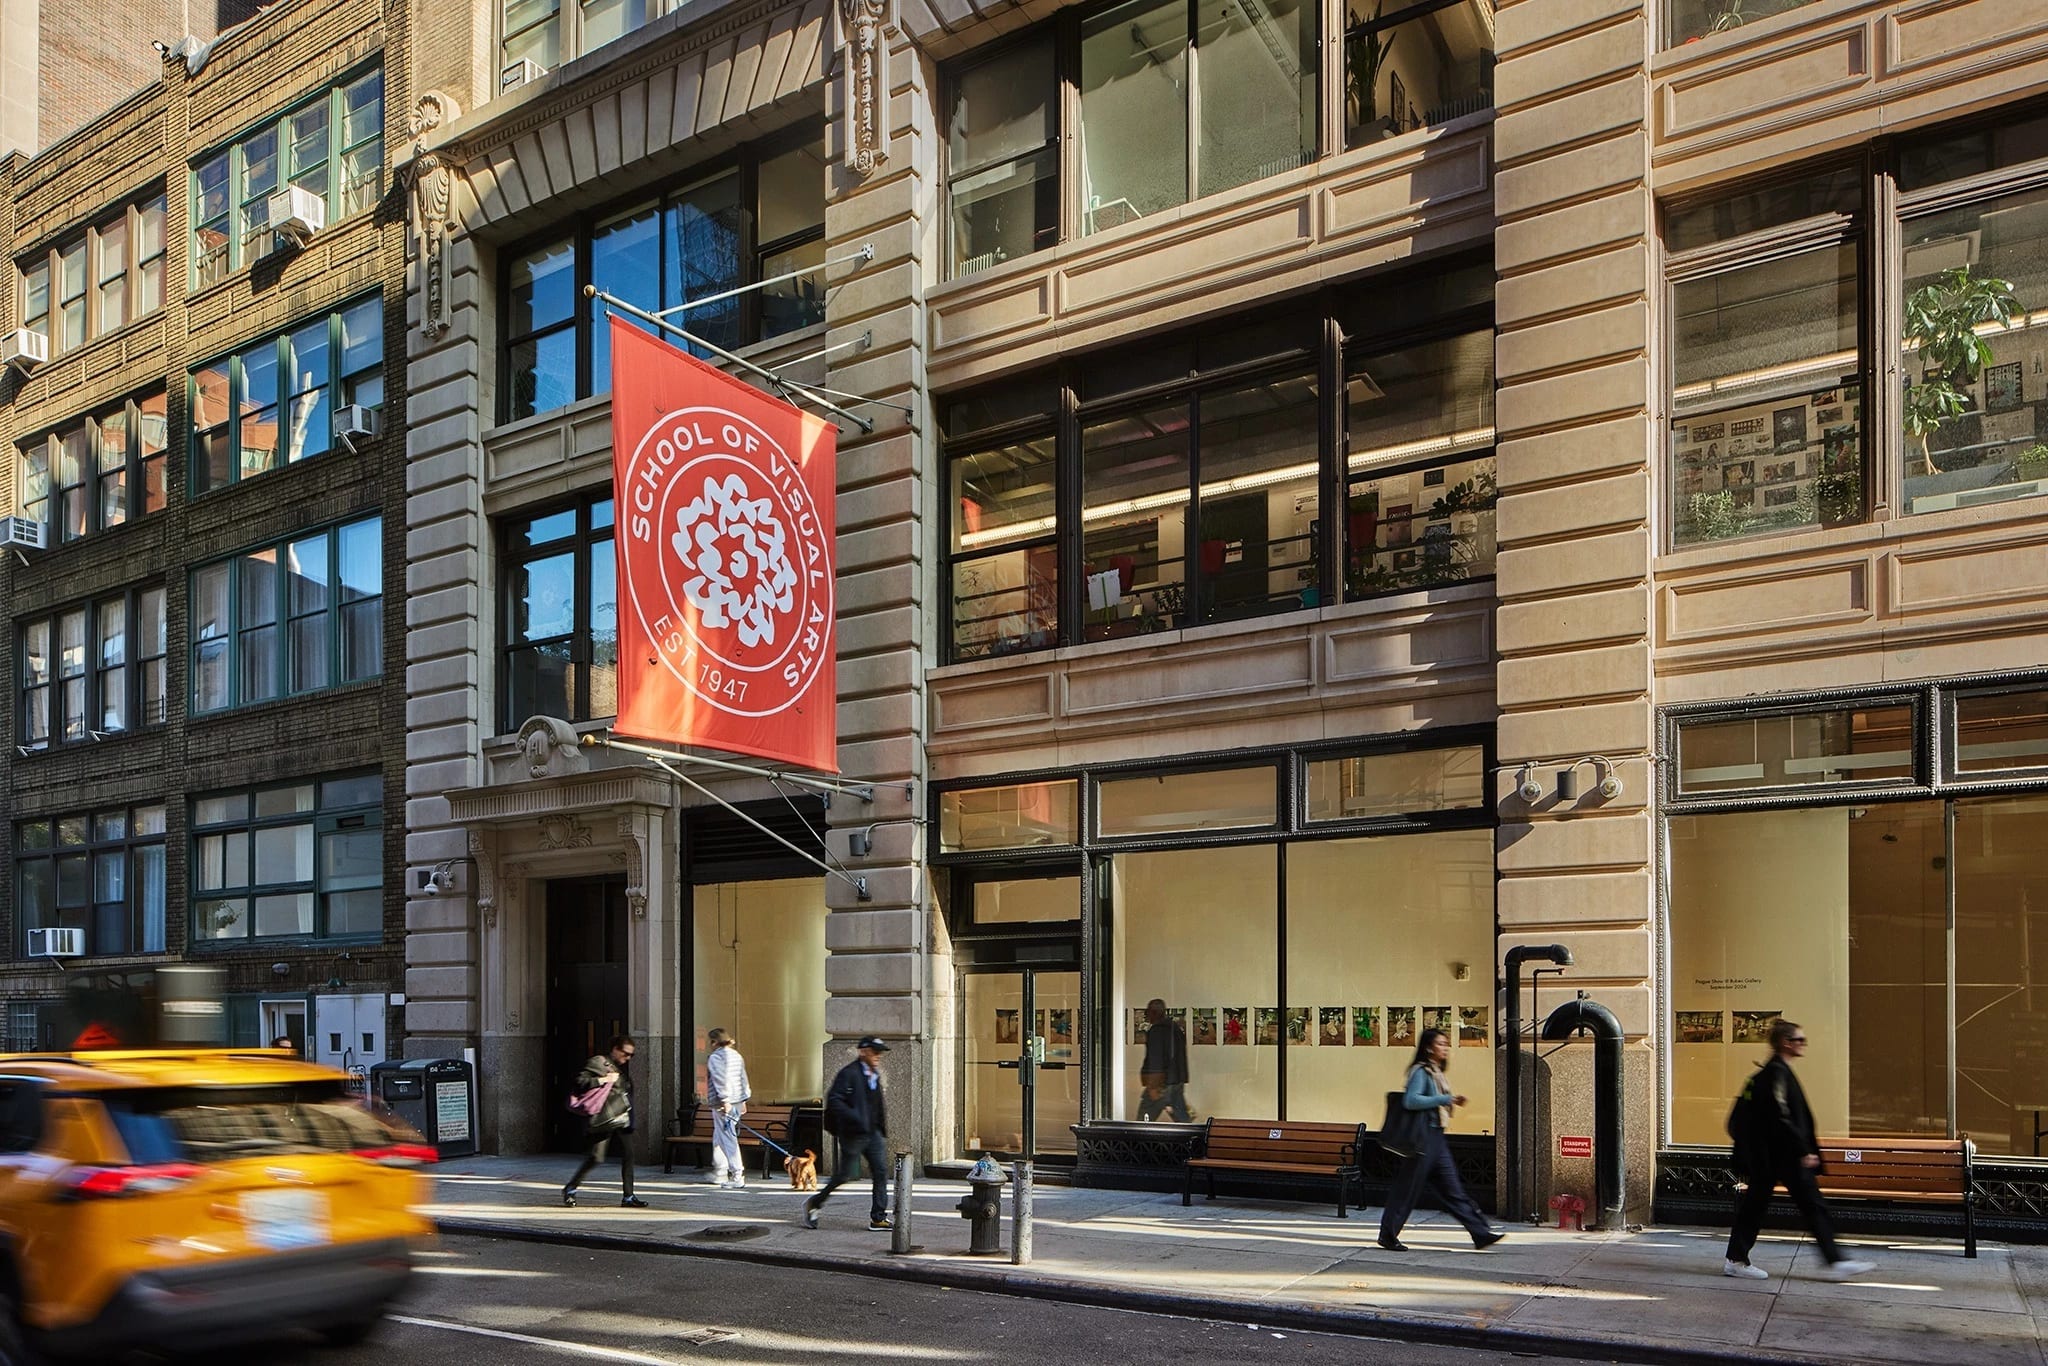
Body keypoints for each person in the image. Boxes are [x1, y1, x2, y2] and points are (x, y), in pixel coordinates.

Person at [1724, 1019, 1874, 1280]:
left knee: (1763, 1206)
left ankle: (1737, 1259)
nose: (1803, 1044)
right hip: (1783, 1156)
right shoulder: (1777, 1073)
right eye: (1799, 1040)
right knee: (1808, 1204)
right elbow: (1781, 1117)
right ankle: (1834, 1260)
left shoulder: (1774, 1072)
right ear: (1786, 1042)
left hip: (1771, 1157)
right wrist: (1803, 1149)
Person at [1377, 1027, 1504, 1252]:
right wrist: (1446, 1099)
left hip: (1436, 1138)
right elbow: (1411, 1101)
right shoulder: (1421, 1071)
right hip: (1422, 1138)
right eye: (1440, 1044)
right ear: (1428, 1048)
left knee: (1452, 1189)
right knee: (1407, 1190)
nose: (1445, 1048)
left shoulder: (1435, 1071)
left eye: (1446, 1044)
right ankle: (1388, 1234)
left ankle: (1480, 1233)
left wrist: (1448, 1100)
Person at [805, 1036, 892, 1231]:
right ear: (863, 1052)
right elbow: (834, 1100)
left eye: (880, 1052)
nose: (878, 1056)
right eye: (874, 1052)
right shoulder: (849, 1074)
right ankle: (815, 1203)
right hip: (853, 1134)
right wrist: (856, 1118)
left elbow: (876, 1104)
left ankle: (878, 1217)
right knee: (844, 1175)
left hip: (873, 1133)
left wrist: (880, 1127)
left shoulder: (873, 1074)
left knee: (880, 1172)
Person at [563, 1033, 648, 1209]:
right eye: (625, 1053)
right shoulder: (599, 1062)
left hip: (622, 1118)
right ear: (615, 1049)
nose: (628, 1058)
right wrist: (603, 1079)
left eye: (631, 1055)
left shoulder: (621, 1069)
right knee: (596, 1158)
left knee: (629, 1154)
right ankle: (570, 1188)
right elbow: (579, 1082)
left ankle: (628, 1196)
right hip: (604, 1118)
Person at [705, 1027, 751, 1190]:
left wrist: (725, 1101)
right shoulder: (736, 1055)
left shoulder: (716, 1057)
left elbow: (720, 1080)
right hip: (737, 1100)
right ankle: (720, 1171)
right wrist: (744, 1098)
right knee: (720, 1136)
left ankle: (737, 1174)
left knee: (727, 1137)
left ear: (714, 1042)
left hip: (723, 1104)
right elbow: (743, 1078)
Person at [1136, 999, 1191, 1123]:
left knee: (1143, 1119)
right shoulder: (1175, 1029)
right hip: (1176, 1081)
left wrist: (1153, 1086)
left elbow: (1156, 1060)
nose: (1147, 1015)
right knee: (1182, 1119)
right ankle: (1191, 1140)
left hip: (1161, 1083)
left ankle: (1137, 1141)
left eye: (1148, 1012)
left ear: (1154, 1013)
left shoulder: (1157, 1031)